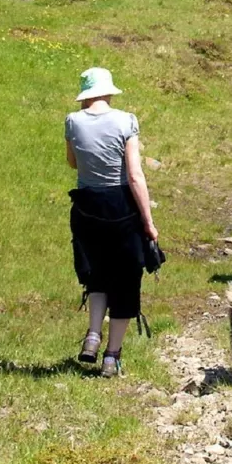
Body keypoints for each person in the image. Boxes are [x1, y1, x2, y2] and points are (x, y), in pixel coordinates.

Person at [64, 66, 157, 377]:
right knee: (127, 279)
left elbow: (72, 162)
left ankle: (92, 336)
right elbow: (134, 175)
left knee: (98, 275)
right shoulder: (126, 120)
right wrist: (148, 221)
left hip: (87, 204)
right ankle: (111, 356)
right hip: (121, 206)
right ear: (108, 92)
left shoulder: (72, 121)